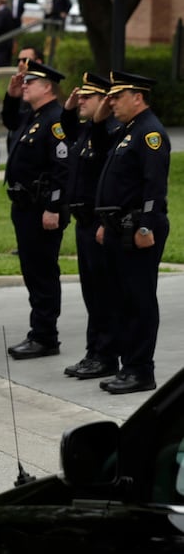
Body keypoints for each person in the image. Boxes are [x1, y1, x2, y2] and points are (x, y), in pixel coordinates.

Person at [92, 70, 170, 394]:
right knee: (122, 301)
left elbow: (154, 186)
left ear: (138, 97)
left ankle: (141, 371)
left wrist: (145, 226)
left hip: (138, 228)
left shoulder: (149, 133)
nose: (111, 103)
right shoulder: (128, 131)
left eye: (117, 97)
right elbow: (96, 137)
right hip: (117, 228)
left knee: (139, 302)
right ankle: (128, 367)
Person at [1, 60, 71, 360]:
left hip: (42, 209)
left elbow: (63, 168)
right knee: (32, 271)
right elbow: (9, 120)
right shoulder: (33, 116)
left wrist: (54, 207)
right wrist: (12, 95)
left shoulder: (56, 120)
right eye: (24, 81)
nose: (25, 84)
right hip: (25, 207)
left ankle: (45, 337)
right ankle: (39, 332)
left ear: (48, 87)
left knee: (42, 273)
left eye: (31, 81)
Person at [60, 72, 121, 380]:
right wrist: (69, 108)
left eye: (87, 97)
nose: (80, 100)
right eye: (80, 96)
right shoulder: (87, 130)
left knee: (103, 295)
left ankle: (106, 356)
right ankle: (93, 352)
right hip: (83, 223)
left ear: (104, 102)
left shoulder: (109, 131)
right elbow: (69, 132)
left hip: (98, 225)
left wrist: (101, 222)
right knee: (91, 294)